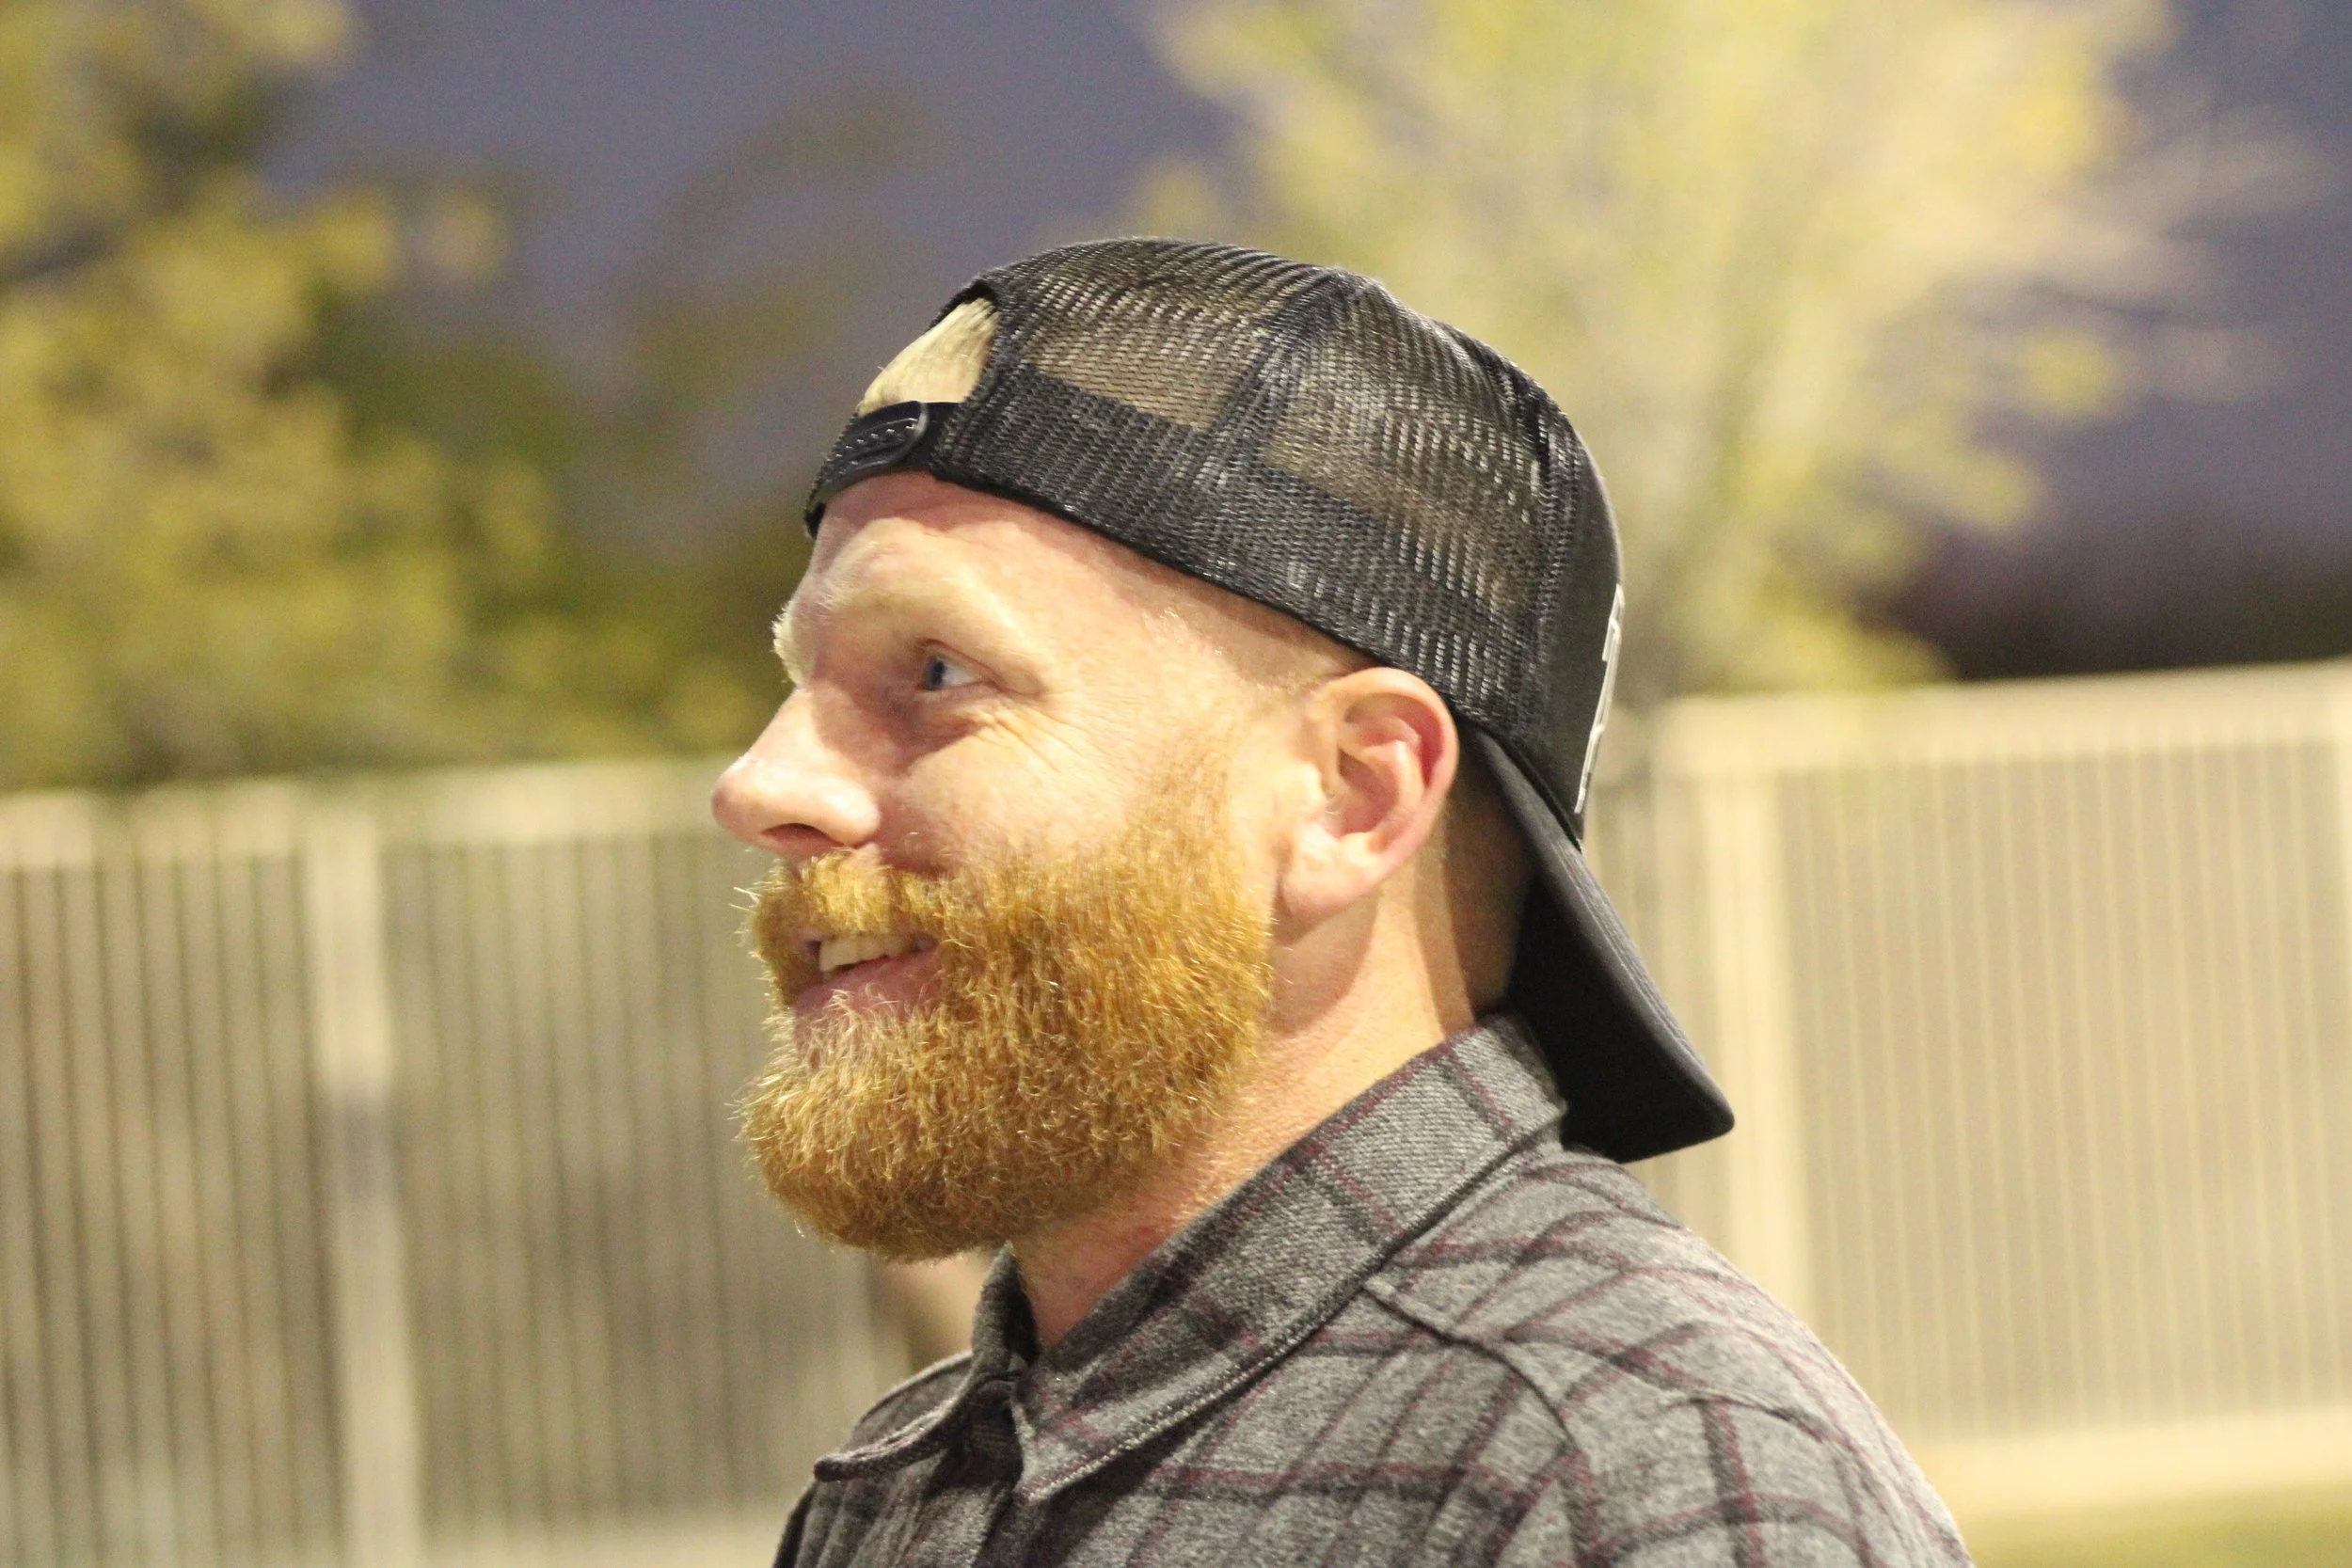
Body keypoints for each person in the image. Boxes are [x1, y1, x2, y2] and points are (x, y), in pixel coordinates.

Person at [712, 239, 1970, 1566]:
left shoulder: (1630, 1483)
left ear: (1351, 797)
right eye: (803, 677)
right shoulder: (894, 1498)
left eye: (937, 669)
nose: (763, 781)